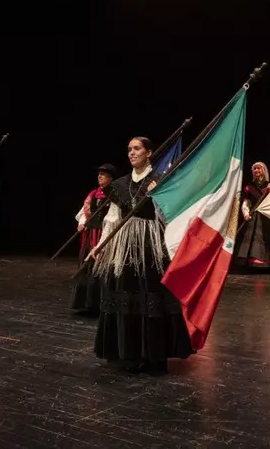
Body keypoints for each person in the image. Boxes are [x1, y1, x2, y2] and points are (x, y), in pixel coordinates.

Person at [90, 137, 193, 372]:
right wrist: (101, 245)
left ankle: (153, 354)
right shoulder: (120, 185)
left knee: (151, 295)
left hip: (151, 245)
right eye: (129, 149)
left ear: (149, 152)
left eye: (137, 148)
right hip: (125, 245)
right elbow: (113, 219)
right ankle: (129, 352)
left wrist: (157, 196)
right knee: (126, 293)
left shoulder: (160, 180)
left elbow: (169, 216)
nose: (132, 153)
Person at [71, 164, 116, 314]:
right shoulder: (93, 194)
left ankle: (101, 303)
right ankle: (86, 303)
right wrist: (82, 222)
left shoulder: (114, 194)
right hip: (91, 234)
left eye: (103, 174)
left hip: (104, 233)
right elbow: (84, 212)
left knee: (101, 266)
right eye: (99, 174)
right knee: (87, 265)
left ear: (110, 178)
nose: (100, 176)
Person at [234, 162, 270, 270]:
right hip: (254, 215)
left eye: (259, 168)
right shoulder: (249, 187)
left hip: (265, 216)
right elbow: (246, 201)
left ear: (264, 170)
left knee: (264, 237)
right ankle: (251, 260)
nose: (256, 170)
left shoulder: (269, 185)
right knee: (252, 236)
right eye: (254, 169)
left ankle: (264, 260)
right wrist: (246, 213)